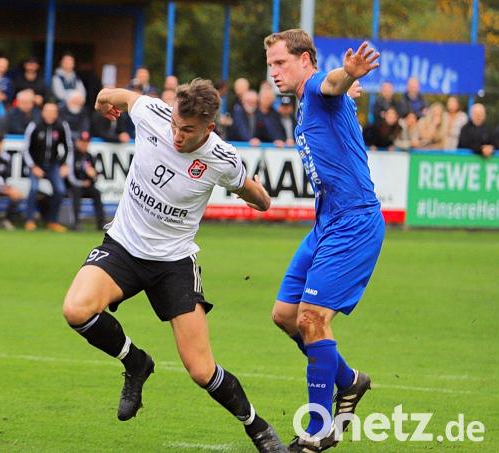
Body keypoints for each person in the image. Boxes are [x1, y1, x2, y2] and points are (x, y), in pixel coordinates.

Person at [61, 79, 283, 453]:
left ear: (209, 127)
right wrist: (102, 103)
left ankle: (257, 427)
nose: (177, 136)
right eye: (176, 126)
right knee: (75, 310)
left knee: (200, 369)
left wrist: (260, 198)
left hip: (174, 263)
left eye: (188, 130)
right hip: (124, 247)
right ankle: (136, 362)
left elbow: (254, 194)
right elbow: (111, 95)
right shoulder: (151, 114)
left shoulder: (222, 159)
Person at [264, 29, 384, 451]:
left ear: (304, 60)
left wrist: (347, 74)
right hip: (327, 223)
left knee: (312, 319)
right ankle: (350, 381)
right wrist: (348, 83)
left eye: (280, 63)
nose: (273, 72)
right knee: (285, 315)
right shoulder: (307, 101)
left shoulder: (316, 88)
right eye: (270, 65)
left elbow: (330, 82)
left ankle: (316, 432)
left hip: (354, 222)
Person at [22, 101, 71, 232]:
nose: (50, 115)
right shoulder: (34, 125)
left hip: (53, 165)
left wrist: (65, 165)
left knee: (60, 190)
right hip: (36, 164)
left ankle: (52, 221)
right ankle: (29, 220)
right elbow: (25, 148)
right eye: (47, 112)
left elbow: (68, 147)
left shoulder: (62, 125)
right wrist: (33, 166)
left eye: (53, 112)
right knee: (33, 188)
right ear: (43, 112)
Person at [66, 131, 104, 231]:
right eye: (82, 142)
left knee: (96, 192)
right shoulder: (71, 155)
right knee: (76, 191)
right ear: (77, 142)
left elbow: (96, 177)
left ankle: (101, 223)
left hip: (87, 186)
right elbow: (69, 176)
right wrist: (81, 183)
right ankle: (76, 223)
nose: (84, 145)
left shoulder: (90, 157)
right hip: (73, 185)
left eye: (86, 142)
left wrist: (93, 175)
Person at [0, 133, 23, 229]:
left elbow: (6, 177)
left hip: (1, 186)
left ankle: (7, 220)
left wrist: (4, 187)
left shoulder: (6, 158)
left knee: (16, 193)